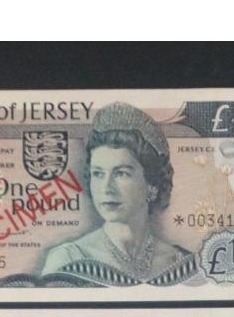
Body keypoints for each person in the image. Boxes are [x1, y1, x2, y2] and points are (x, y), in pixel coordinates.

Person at [38, 101, 194, 285]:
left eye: (121, 173)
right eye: (98, 174)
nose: (106, 188)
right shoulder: (68, 260)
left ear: (151, 184)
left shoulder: (180, 261)